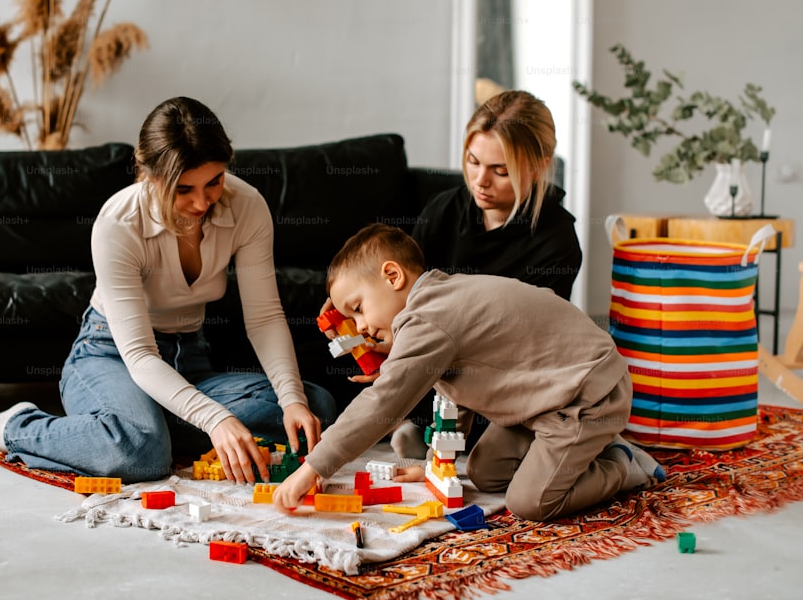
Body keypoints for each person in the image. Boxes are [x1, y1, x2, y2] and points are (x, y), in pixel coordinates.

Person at [0, 96, 336, 484]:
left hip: (189, 357)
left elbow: (264, 317)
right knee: (143, 456)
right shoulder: (118, 223)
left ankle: (135, 428)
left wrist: (291, 400)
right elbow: (139, 354)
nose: (202, 202)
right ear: (147, 175)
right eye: (183, 189)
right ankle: (16, 427)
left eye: (214, 182)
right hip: (111, 355)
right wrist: (215, 417)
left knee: (315, 408)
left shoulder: (247, 206)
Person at [273, 223, 664, 521]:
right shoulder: (437, 304)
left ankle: (623, 463)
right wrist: (433, 464)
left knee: (530, 501)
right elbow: (454, 395)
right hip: (544, 398)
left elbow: (382, 402)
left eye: (357, 308)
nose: (358, 327)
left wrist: (314, 467)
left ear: (393, 277)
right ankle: (578, 451)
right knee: (484, 473)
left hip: (588, 392)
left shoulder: (429, 318)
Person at [392, 89, 583, 458]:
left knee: (501, 443)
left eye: (500, 171)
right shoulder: (443, 210)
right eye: (472, 161)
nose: (480, 180)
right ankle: (422, 425)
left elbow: (529, 346)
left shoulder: (557, 240)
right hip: (434, 358)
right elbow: (405, 298)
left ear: (541, 165)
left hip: (504, 372)